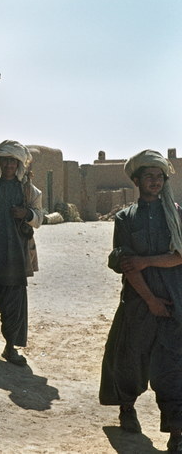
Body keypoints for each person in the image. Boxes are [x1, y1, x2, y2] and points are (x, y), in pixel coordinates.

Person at [100, 150, 182, 450]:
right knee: (131, 360)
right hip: (138, 304)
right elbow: (126, 264)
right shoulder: (125, 218)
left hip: (174, 303)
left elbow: (180, 256)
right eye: (149, 176)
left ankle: (177, 433)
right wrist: (150, 300)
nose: (155, 182)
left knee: (173, 368)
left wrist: (147, 261)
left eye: (160, 177)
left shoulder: (177, 214)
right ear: (136, 181)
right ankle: (127, 409)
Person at [0, 140, 42, 366]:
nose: (8, 165)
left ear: (18, 164)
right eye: (4, 161)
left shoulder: (29, 191)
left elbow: (39, 218)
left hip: (15, 258)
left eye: (12, 161)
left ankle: (10, 348)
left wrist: (27, 214)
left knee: (14, 307)